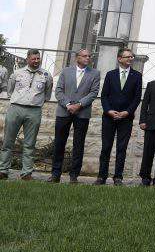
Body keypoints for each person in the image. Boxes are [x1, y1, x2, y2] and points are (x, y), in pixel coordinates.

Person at [0, 49, 54, 181]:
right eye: (33, 59)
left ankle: (26, 173)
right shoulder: (17, 73)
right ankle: (3, 170)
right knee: (8, 141)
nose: (36, 61)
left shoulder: (46, 75)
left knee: (30, 143)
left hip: (34, 111)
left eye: (38, 59)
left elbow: (47, 94)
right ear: (27, 59)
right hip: (16, 108)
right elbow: (10, 90)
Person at [49, 49, 101, 183]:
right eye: (84, 56)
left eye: (89, 56)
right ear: (77, 58)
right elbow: (59, 90)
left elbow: (94, 92)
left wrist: (79, 104)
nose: (88, 58)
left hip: (82, 113)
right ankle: (55, 174)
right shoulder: (66, 71)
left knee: (79, 144)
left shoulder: (95, 73)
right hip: (63, 111)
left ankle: (74, 176)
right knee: (59, 143)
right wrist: (67, 104)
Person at [96, 48, 142, 185]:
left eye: (131, 57)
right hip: (109, 117)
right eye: (127, 57)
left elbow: (137, 97)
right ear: (119, 58)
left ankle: (118, 177)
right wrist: (109, 110)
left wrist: (127, 112)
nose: (130, 59)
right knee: (106, 147)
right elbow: (104, 96)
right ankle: (101, 176)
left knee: (121, 148)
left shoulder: (137, 76)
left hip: (126, 118)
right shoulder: (110, 75)